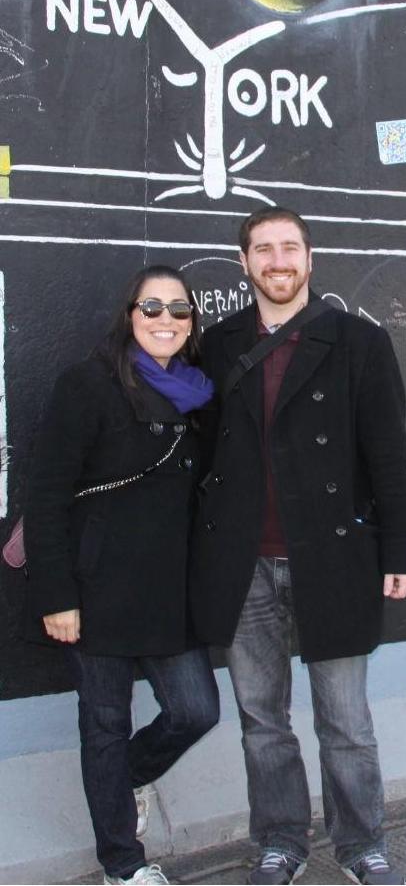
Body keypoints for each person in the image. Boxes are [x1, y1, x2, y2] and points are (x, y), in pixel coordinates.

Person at [190, 207, 406, 886]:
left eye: (289, 247)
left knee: (345, 721)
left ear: (310, 260)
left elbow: (388, 454)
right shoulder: (219, 344)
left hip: (333, 556)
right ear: (245, 264)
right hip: (239, 563)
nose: (278, 261)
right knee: (262, 720)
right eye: (263, 250)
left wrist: (401, 550)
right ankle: (280, 843)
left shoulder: (359, 341)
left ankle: (360, 846)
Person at [23, 266, 220, 886]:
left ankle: (125, 779)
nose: (166, 319)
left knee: (196, 710)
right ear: (130, 316)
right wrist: (57, 595)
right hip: (95, 587)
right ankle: (123, 865)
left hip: (168, 591)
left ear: (192, 324)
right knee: (103, 725)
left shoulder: (199, 394)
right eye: (152, 307)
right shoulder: (88, 385)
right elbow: (48, 494)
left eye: (179, 310)